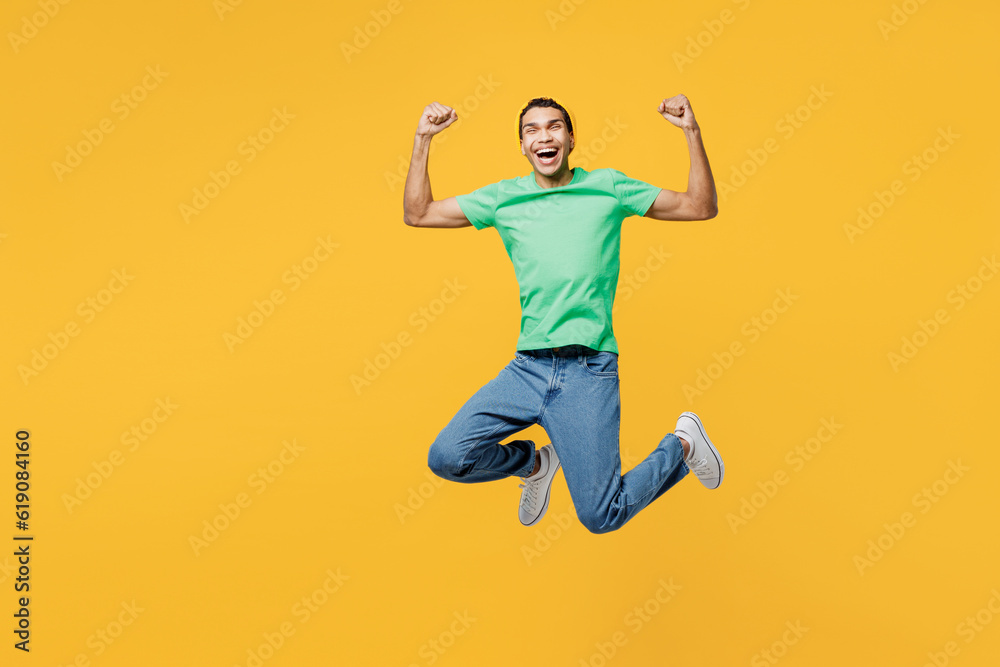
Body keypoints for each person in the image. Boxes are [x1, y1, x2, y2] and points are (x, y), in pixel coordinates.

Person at [402, 94, 724, 534]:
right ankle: (533, 464)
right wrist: (423, 138)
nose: (543, 136)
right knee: (448, 458)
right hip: (528, 369)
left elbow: (700, 206)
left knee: (600, 516)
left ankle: (683, 446)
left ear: (570, 138)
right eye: (531, 130)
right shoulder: (503, 199)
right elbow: (417, 213)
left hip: (587, 373)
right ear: (522, 146)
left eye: (553, 127)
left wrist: (691, 131)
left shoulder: (607, 187)